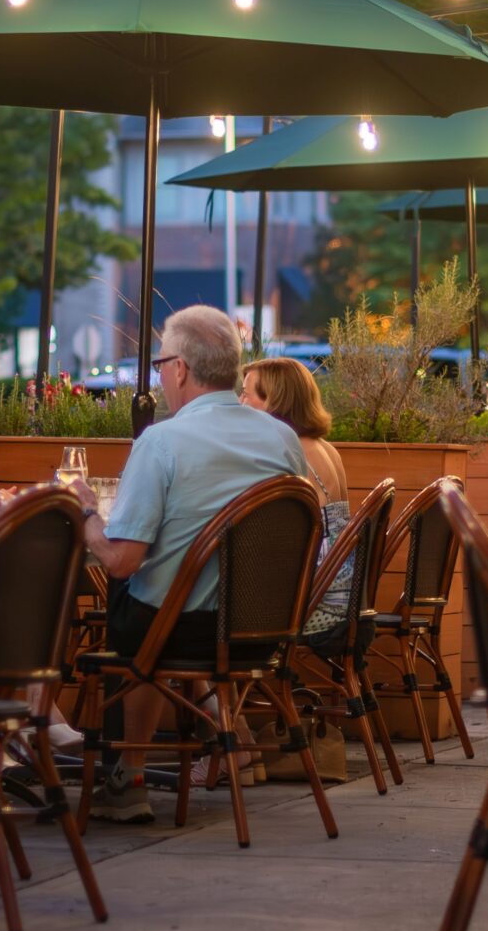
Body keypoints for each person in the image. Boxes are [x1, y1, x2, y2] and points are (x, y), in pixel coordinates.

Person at [72, 306, 310, 823]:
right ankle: (199, 739)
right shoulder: (282, 439)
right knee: (153, 597)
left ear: (179, 368)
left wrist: (86, 509)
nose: (159, 375)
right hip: (265, 633)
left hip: (177, 634)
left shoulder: (160, 441)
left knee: (128, 596)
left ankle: (127, 773)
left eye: (159, 364)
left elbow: (119, 560)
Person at [240, 357, 354, 649]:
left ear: (273, 401)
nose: (238, 402)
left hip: (318, 606)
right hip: (344, 598)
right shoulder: (324, 448)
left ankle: (213, 691)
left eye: (245, 394)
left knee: (207, 609)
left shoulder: (285, 451)